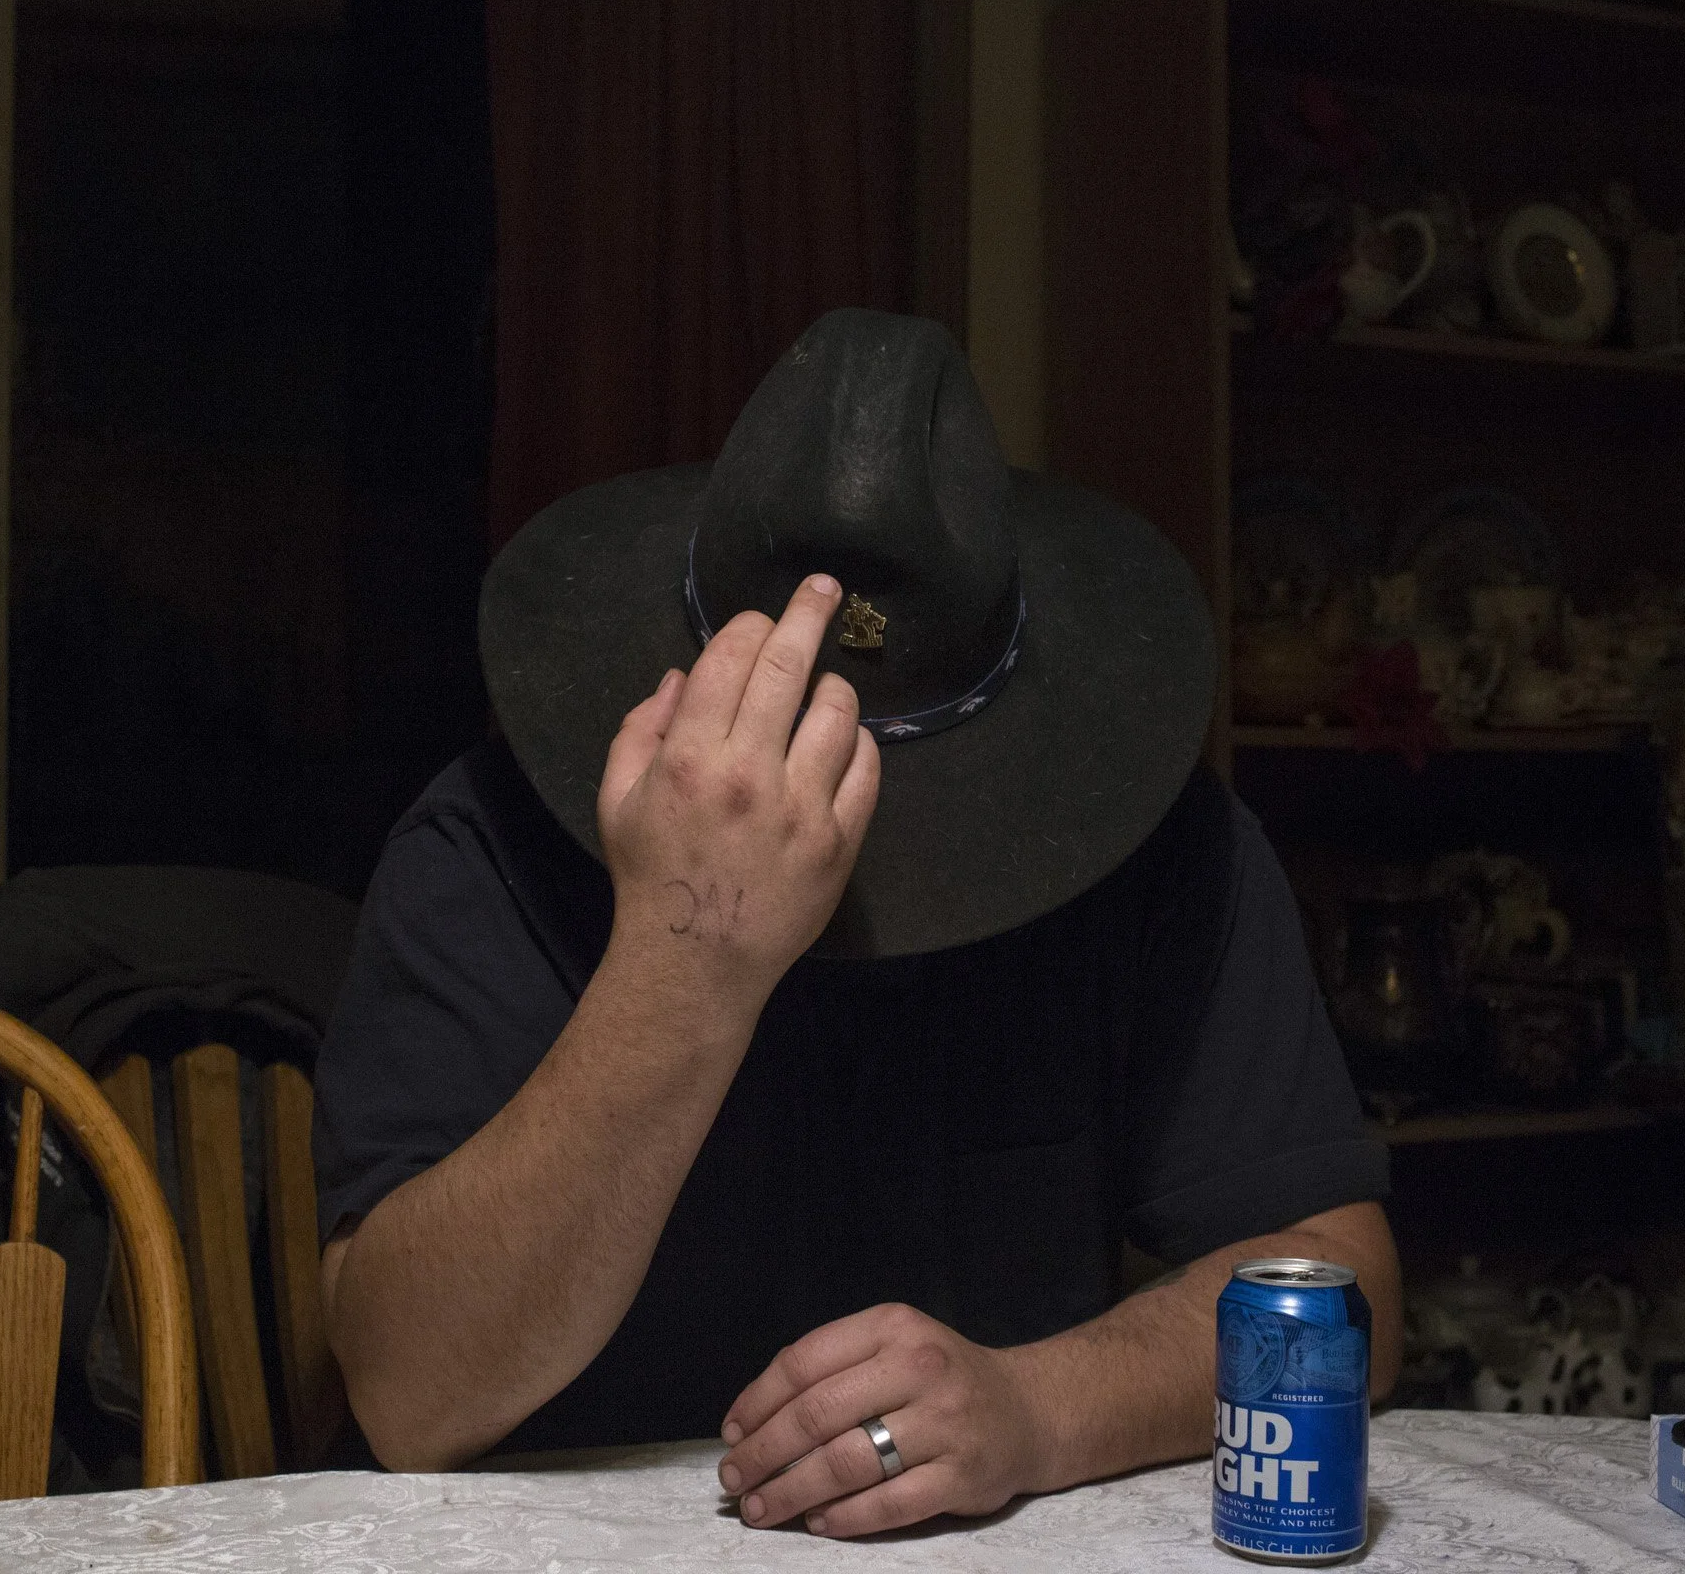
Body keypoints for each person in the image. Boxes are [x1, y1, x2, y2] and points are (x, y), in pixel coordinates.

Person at [314, 309, 1400, 1539]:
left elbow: (1343, 1291)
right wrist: (691, 954)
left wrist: (1039, 1406)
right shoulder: (485, 843)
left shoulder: (1158, 848)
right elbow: (410, 1395)